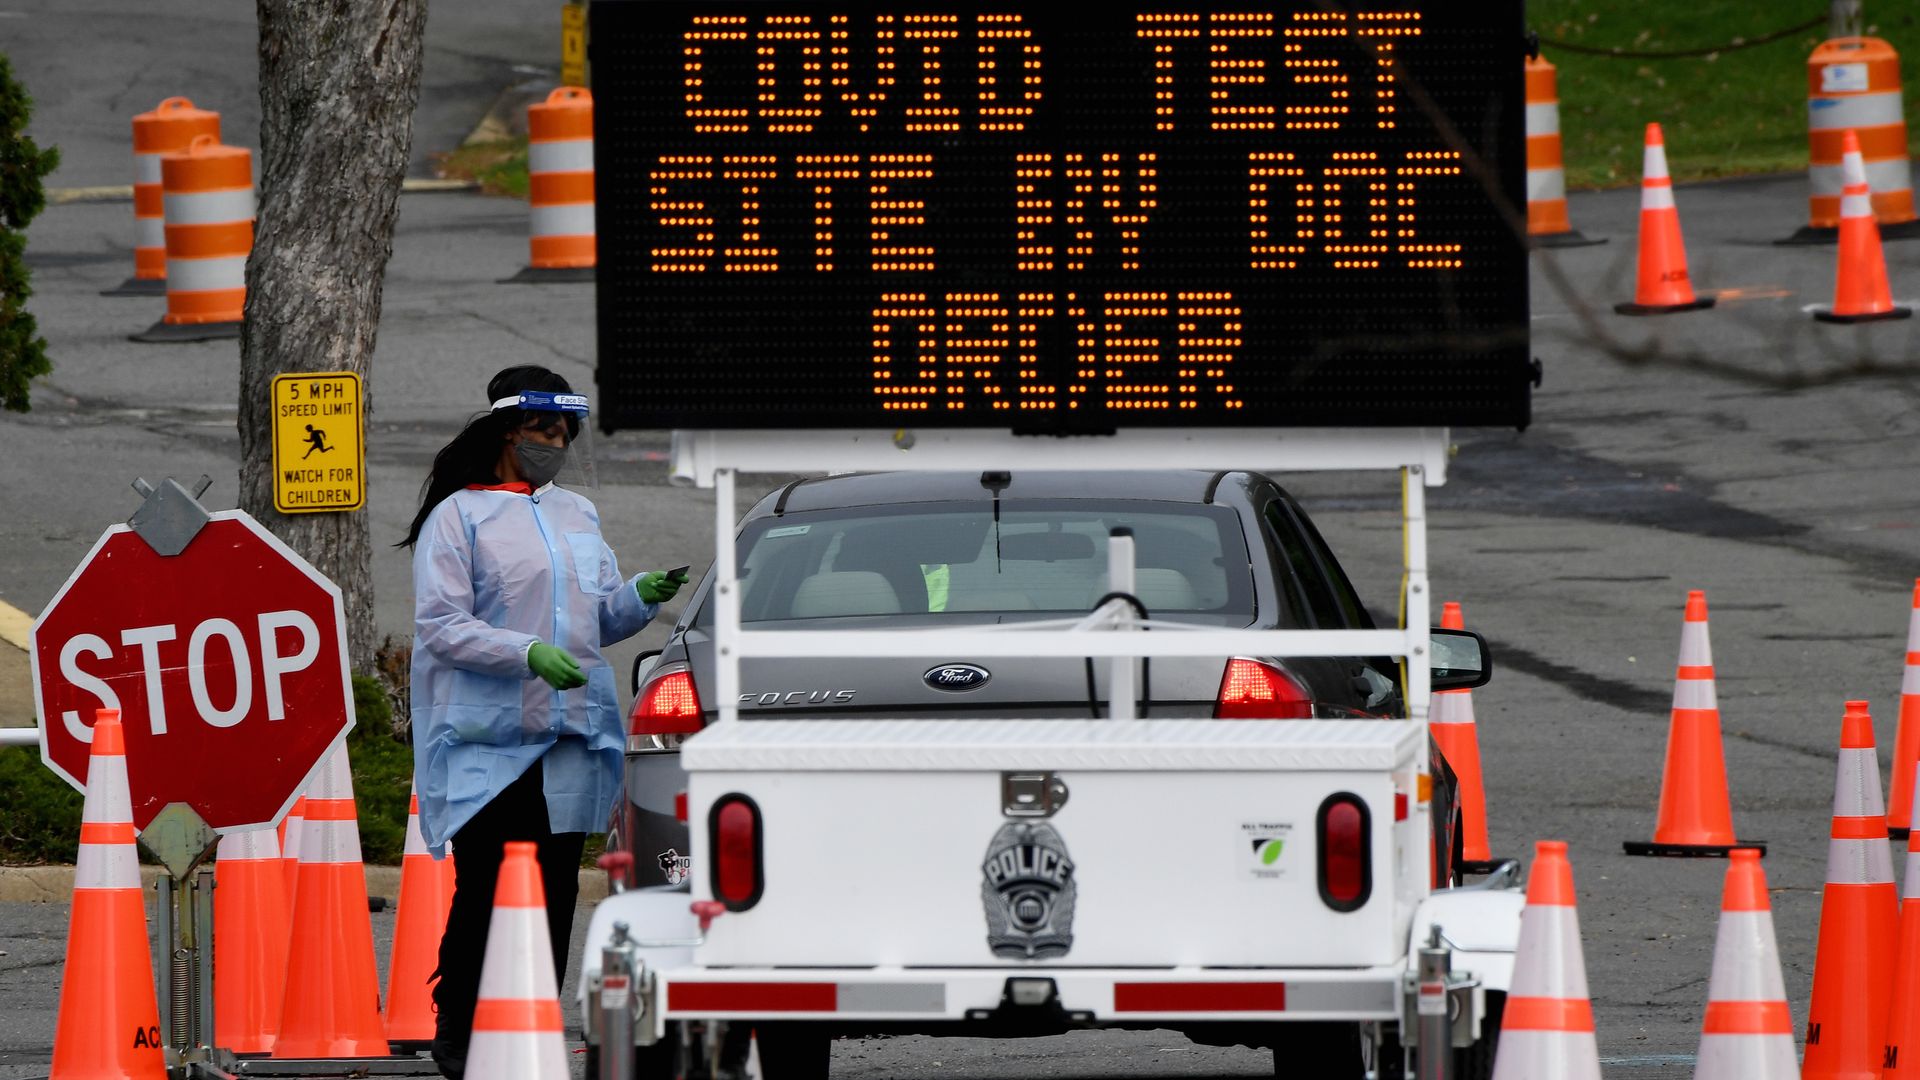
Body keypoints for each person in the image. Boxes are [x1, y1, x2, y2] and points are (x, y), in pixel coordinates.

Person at [400, 365, 688, 1079]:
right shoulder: (457, 517)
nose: (556, 442)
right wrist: (524, 653)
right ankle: (460, 1031)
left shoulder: (576, 513)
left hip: (568, 741)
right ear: (508, 430)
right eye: (545, 430)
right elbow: (441, 625)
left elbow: (595, 619)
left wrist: (638, 598)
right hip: (486, 742)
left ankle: (527, 1024)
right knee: (486, 889)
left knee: (555, 891)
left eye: (565, 432)